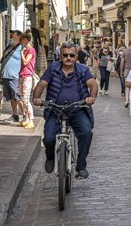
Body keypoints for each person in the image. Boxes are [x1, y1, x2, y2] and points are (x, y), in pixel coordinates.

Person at [32, 42, 98, 179]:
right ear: (60, 56)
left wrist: (91, 97)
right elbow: (42, 83)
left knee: (86, 133)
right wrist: (36, 98)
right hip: (55, 110)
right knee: (49, 138)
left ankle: (81, 166)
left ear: (76, 57)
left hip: (77, 109)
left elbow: (92, 84)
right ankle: (50, 157)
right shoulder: (53, 68)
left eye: (71, 55)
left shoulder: (83, 70)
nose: (68, 58)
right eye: (65, 55)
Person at [0, 30, 23, 124]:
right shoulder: (10, 46)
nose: (11, 34)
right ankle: (15, 115)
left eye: (13, 33)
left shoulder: (21, 48)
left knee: (18, 97)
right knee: (11, 98)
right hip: (6, 75)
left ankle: (25, 115)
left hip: (14, 76)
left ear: (18, 36)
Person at [18, 31, 36, 129]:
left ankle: (31, 119)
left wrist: (21, 53)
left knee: (26, 99)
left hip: (27, 76)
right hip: (21, 75)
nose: (20, 42)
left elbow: (25, 62)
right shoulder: (25, 50)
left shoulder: (31, 50)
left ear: (26, 40)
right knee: (22, 97)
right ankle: (27, 119)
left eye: (21, 40)